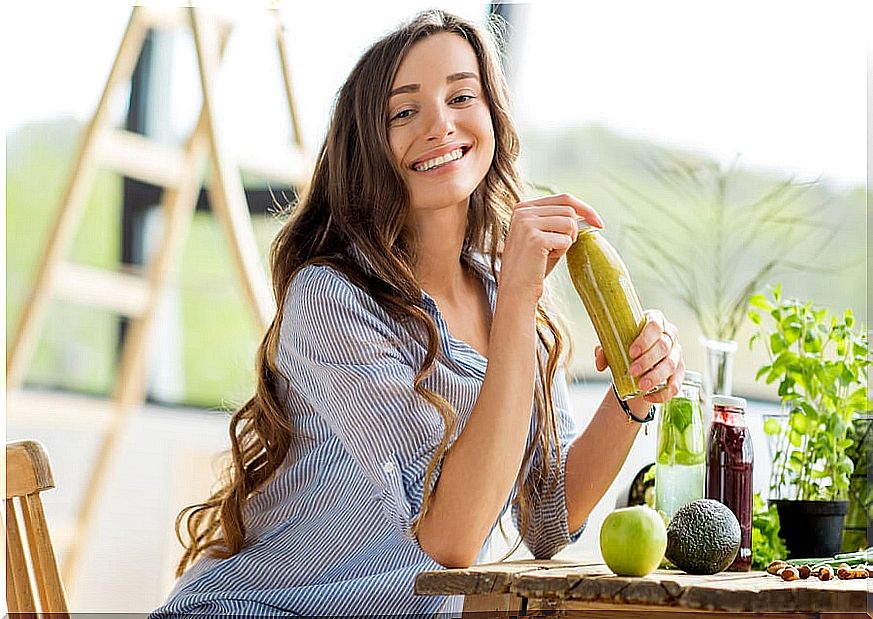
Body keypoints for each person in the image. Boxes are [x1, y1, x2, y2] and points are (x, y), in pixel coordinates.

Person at [151, 9, 685, 618]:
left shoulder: (500, 291)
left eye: (462, 96)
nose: (440, 124)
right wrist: (515, 304)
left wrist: (631, 396)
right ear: (367, 148)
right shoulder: (331, 297)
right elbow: (449, 542)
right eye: (405, 112)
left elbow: (549, 517)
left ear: (492, 119)